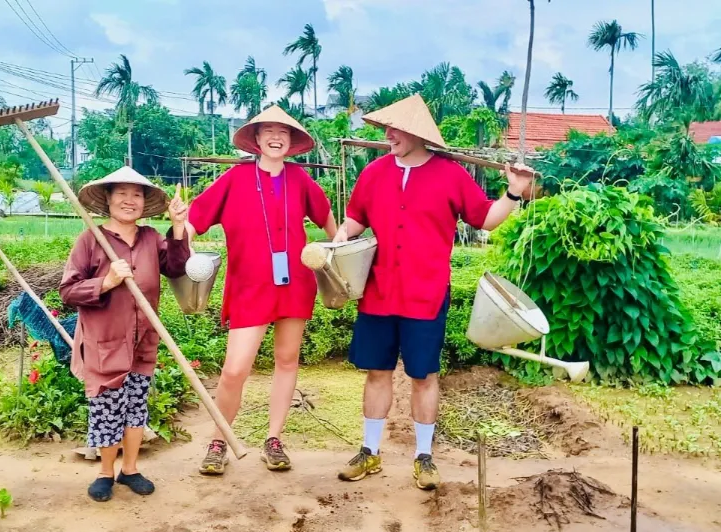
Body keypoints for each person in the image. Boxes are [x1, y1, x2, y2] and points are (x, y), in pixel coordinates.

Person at [332, 94, 535, 490]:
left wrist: (513, 192)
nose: (388, 134)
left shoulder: (451, 175)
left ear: (418, 134)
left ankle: (424, 456)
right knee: (377, 372)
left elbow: (486, 220)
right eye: (387, 128)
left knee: (424, 375)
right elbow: (354, 220)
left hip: (425, 295)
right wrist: (338, 242)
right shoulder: (373, 173)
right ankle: (369, 451)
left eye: (396, 129)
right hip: (378, 292)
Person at [187, 105, 337, 475]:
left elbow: (327, 217)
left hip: (295, 285)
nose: (275, 137)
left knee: (287, 361)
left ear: (291, 141)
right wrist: (181, 248)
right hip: (250, 286)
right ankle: (219, 440)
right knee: (235, 369)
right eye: (267, 131)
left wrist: (344, 254)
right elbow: (196, 217)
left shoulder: (300, 180)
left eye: (282, 132)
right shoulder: (235, 178)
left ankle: (274, 438)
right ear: (254, 139)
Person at [59, 166, 191, 502]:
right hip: (105, 341)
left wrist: (177, 227)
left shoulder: (150, 238)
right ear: (108, 199)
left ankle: (129, 469)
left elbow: (176, 268)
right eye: (122, 194)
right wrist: (106, 282)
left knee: (136, 407)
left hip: (144, 339)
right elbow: (68, 291)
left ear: (144, 202)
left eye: (136, 195)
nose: (129, 201)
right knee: (107, 409)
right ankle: (105, 472)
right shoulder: (91, 238)